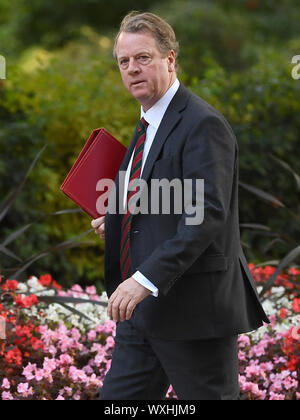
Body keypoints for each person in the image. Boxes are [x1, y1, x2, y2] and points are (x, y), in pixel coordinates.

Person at [91, 11, 269, 400]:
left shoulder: (202, 123)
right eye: (124, 61)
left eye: (143, 58)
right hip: (142, 315)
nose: (132, 69)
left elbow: (206, 213)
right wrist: (119, 219)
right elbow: (171, 201)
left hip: (194, 314)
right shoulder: (146, 126)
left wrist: (144, 279)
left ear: (170, 60)